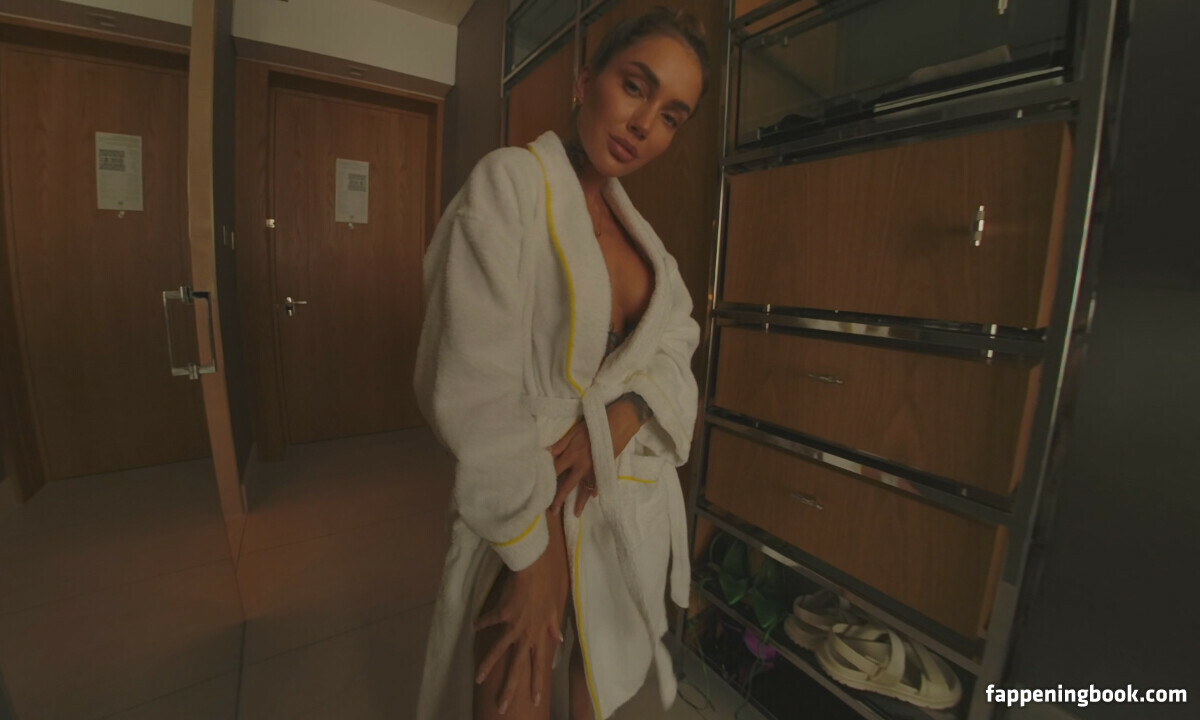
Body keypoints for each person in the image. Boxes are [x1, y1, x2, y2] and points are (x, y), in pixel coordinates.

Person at [414, 7, 710, 719]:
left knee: (596, 683)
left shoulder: (646, 243)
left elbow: (678, 340)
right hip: (528, 494)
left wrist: (628, 411)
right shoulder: (509, 187)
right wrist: (532, 548)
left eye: (671, 116)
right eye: (635, 86)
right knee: (514, 686)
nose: (643, 124)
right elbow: (471, 388)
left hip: (621, 504)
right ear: (585, 82)